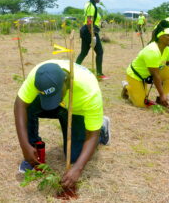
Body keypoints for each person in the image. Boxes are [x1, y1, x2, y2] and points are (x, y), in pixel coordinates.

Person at [14, 59, 110, 189]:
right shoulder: (39, 75)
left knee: (75, 157)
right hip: (62, 103)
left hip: (77, 111)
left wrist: (78, 168)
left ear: (66, 81)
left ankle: (102, 128)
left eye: (57, 95)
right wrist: (25, 145)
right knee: (29, 105)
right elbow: (20, 104)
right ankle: (33, 151)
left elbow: (92, 135)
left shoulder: (89, 92)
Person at [122, 25, 169, 107]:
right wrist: (161, 93)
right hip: (136, 76)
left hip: (149, 75)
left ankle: (161, 98)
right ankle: (127, 87)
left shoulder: (167, 49)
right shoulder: (152, 51)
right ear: (161, 37)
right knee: (141, 104)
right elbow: (155, 76)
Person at [76, 0, 108, 80]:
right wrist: (93, 35)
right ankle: (99, 74)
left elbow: (93, 20)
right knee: (100, 52)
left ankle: (73, 69)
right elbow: (89, 22)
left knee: (84, 52)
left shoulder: (89, 4)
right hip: (89, 31)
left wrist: (99, 23)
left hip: (87, 30)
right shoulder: (91, 7)